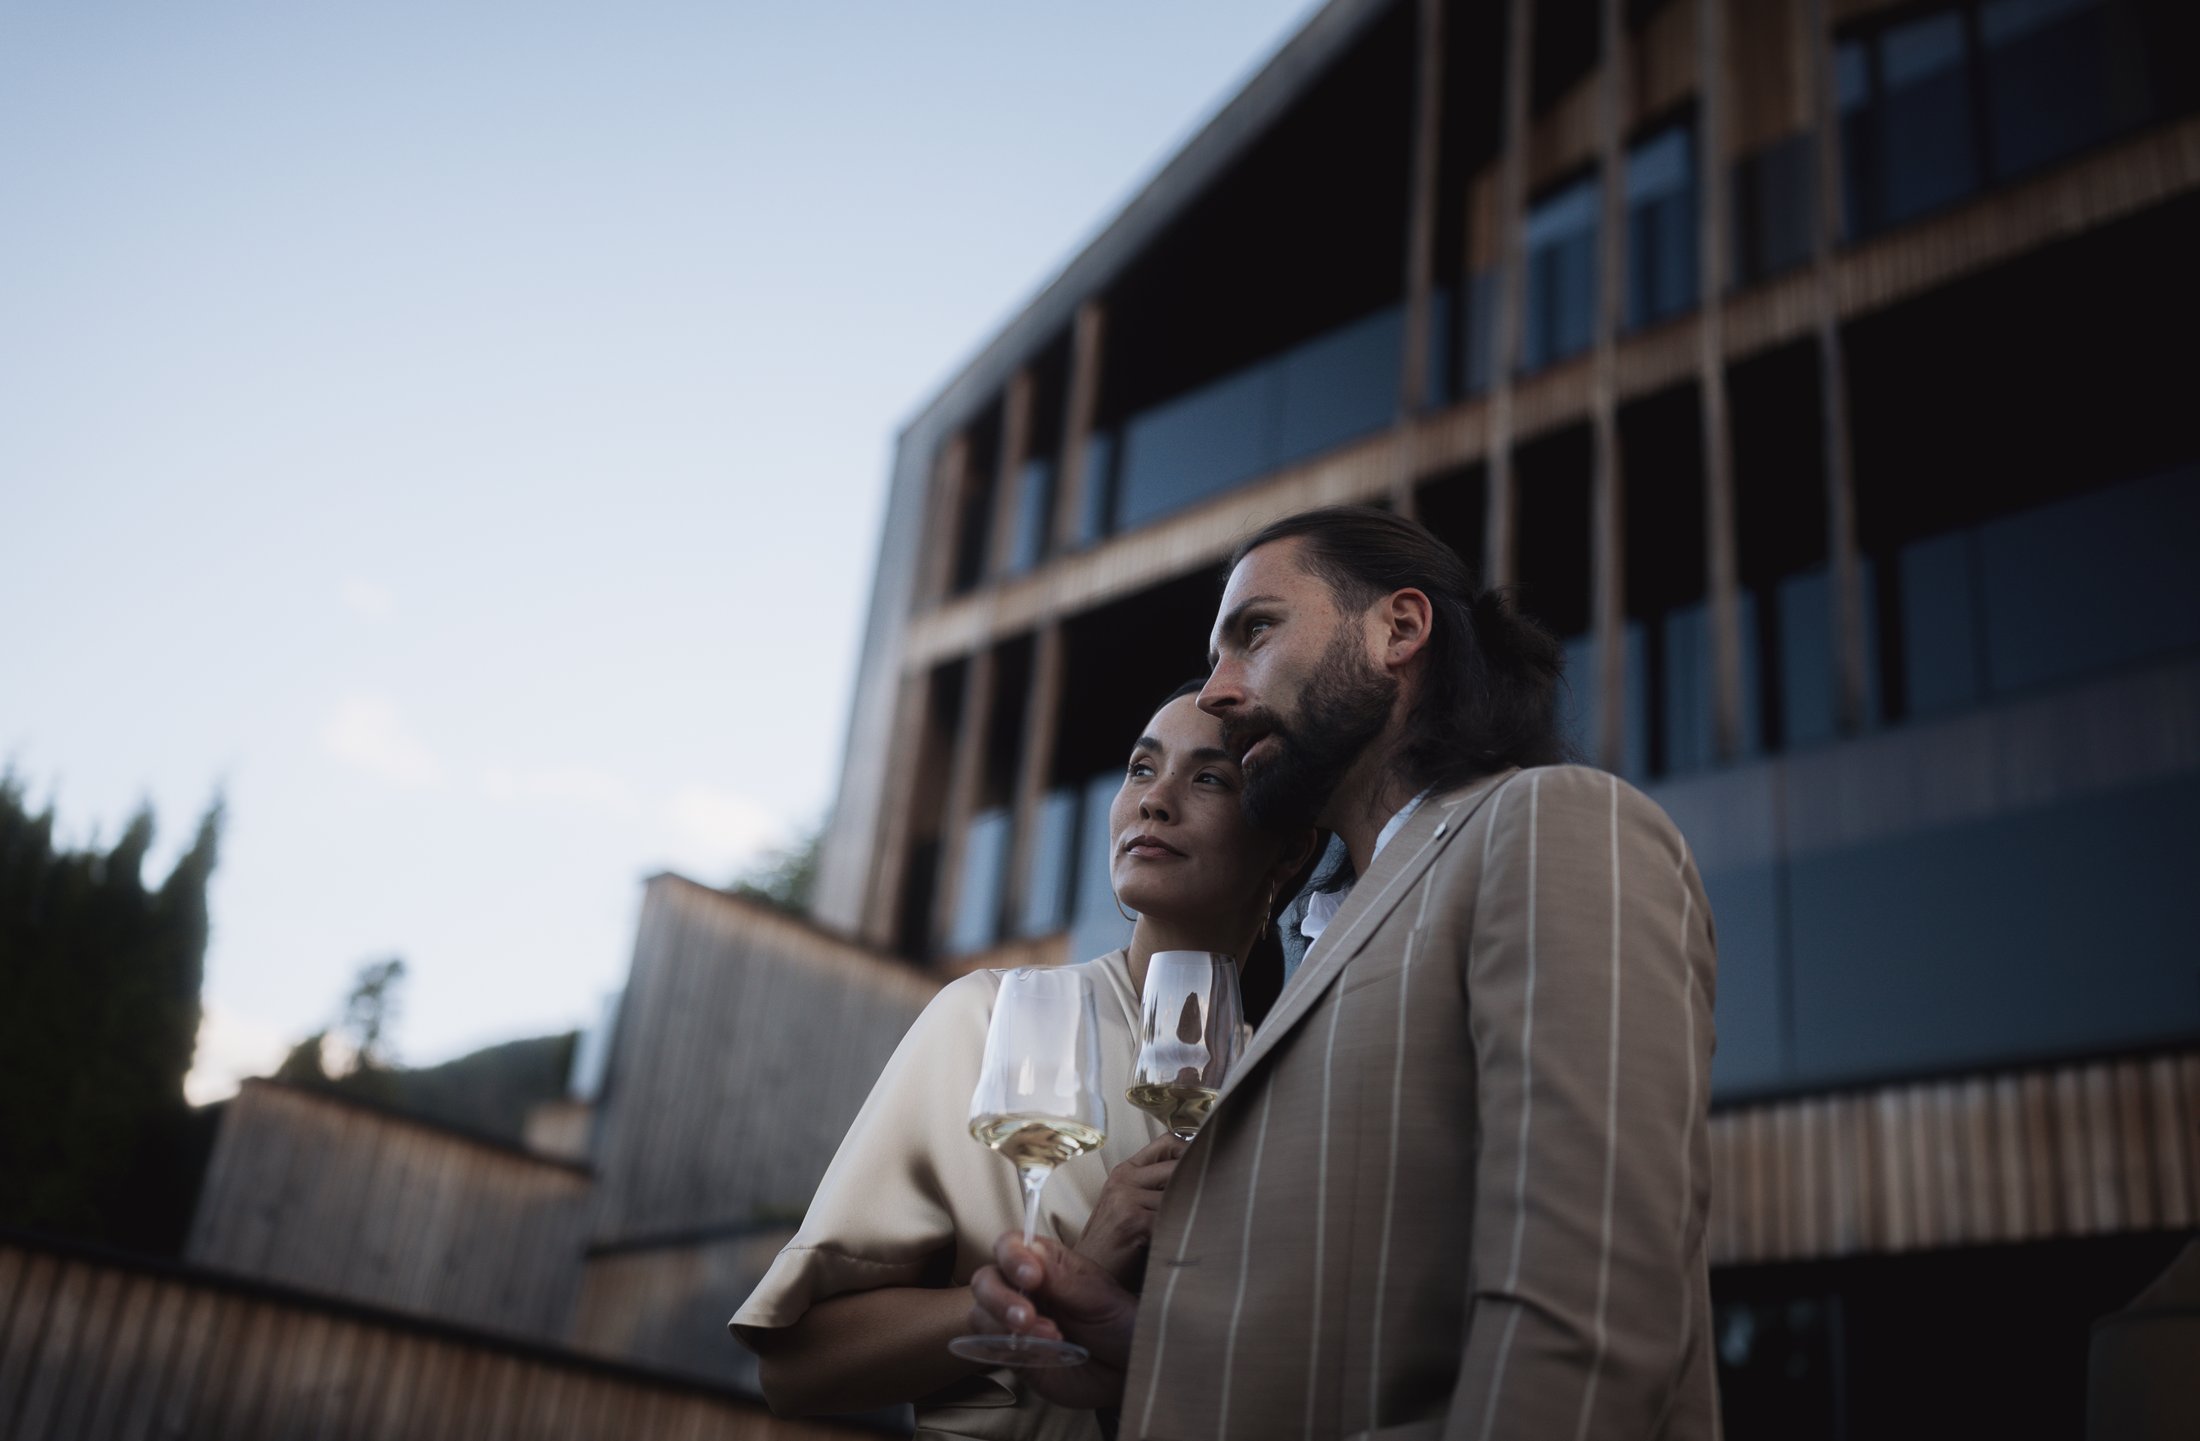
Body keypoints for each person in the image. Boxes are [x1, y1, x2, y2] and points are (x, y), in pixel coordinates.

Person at [969, 505, 1721, 1440]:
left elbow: (1590, 1305)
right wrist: (1142, 1346)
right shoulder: (1321, 939)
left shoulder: (1552, 824)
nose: (1218, 693)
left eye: (1255, 632)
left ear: (1399, 629)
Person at [731, 681, 1314, 1441]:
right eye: (1142, 768)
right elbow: (795, 1369)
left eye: (1209, 778)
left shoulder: (1302, 1080)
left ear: (1292, 846)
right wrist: (1064, 1274)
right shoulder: (989, 1020)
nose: (1153, 800)